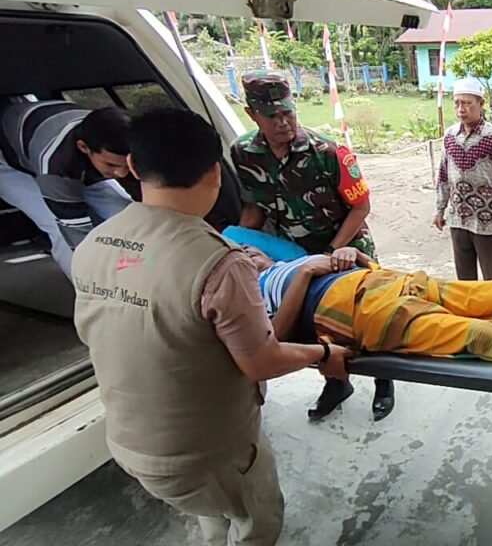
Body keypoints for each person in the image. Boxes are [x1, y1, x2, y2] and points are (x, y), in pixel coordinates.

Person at [72, 108, 352, 546]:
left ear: (131, 166)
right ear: (215, 173)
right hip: (207, 453)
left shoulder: (94, 243)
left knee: (213, 509)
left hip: (129, 442)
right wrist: (323, 354)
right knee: (254, 521)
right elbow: (262, 361)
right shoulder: (218, 262)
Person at [230, 71, 396, 422]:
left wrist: (334, 249)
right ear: (252, 114)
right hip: (293, 255)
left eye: (288, 113)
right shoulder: (244, 153)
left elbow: (360, 207)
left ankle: (385, 380)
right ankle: (336, 382)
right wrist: (238, 243)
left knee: (370, 318)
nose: (283, 122)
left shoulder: (328, 152)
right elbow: (254, 207)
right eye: (272, 116)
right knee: (316, 326)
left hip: (346, 248)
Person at [242, 245, 492, 382]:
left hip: (389, 281)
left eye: (249, 248)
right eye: (240, 252)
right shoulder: (247, 293)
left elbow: (355, 262)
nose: (248, 252)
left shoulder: (285, 261)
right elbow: (274, 341)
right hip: (361, 317)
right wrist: (307, 274)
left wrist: (351, 254)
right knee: (476, 335)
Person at [0, 99, 136, 276]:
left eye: (126, 164)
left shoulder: (121, 137)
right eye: (111, 165)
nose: (121, 173)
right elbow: (76, 234)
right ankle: (90, 297)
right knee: (58, 228)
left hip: (43, 137)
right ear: (84, 147)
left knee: (124, 212)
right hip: (8, 161)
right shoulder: (56, 162)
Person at [433, 77, 492, 281]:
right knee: (464, 279)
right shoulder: (450, 136)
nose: (462, 109)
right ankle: (469, 313)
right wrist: (439, 209)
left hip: (487, 221)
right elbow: (443, 175)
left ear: (481, 103)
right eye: (457, 103)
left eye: (467, 103)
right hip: (457, 218)